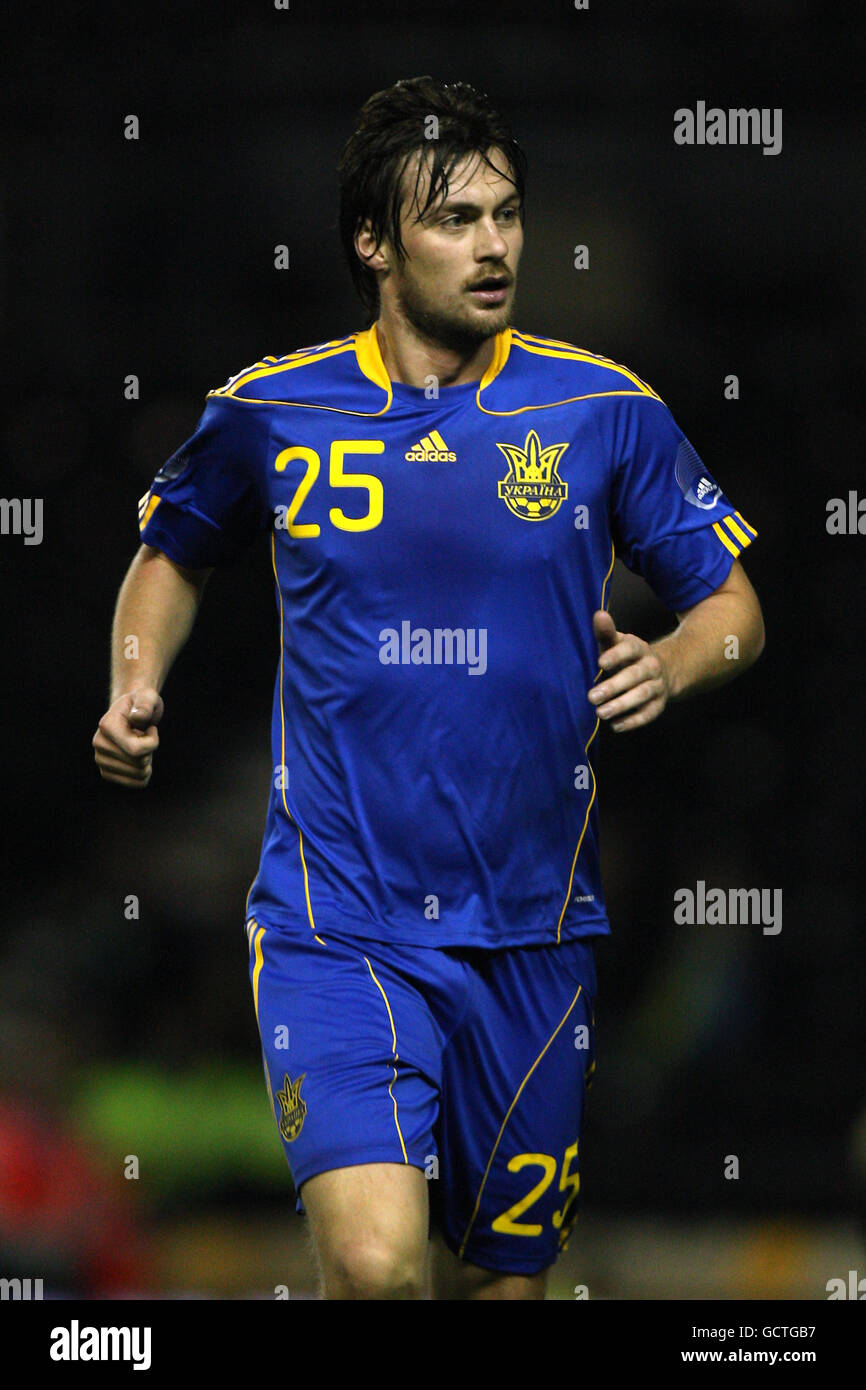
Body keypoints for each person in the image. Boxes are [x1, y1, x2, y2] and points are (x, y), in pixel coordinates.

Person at [93, 76, 765, 1300]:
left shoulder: (602, 409)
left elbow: (734, 609)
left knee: (504, 1289)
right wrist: (134, 687)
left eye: (505, 214)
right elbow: (167, 556)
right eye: (455, 218)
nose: (495, 244)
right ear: (372, 240)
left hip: (533, 934)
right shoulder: (270, 409)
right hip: (334, 923)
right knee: (375, 1266)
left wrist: (671, 661)